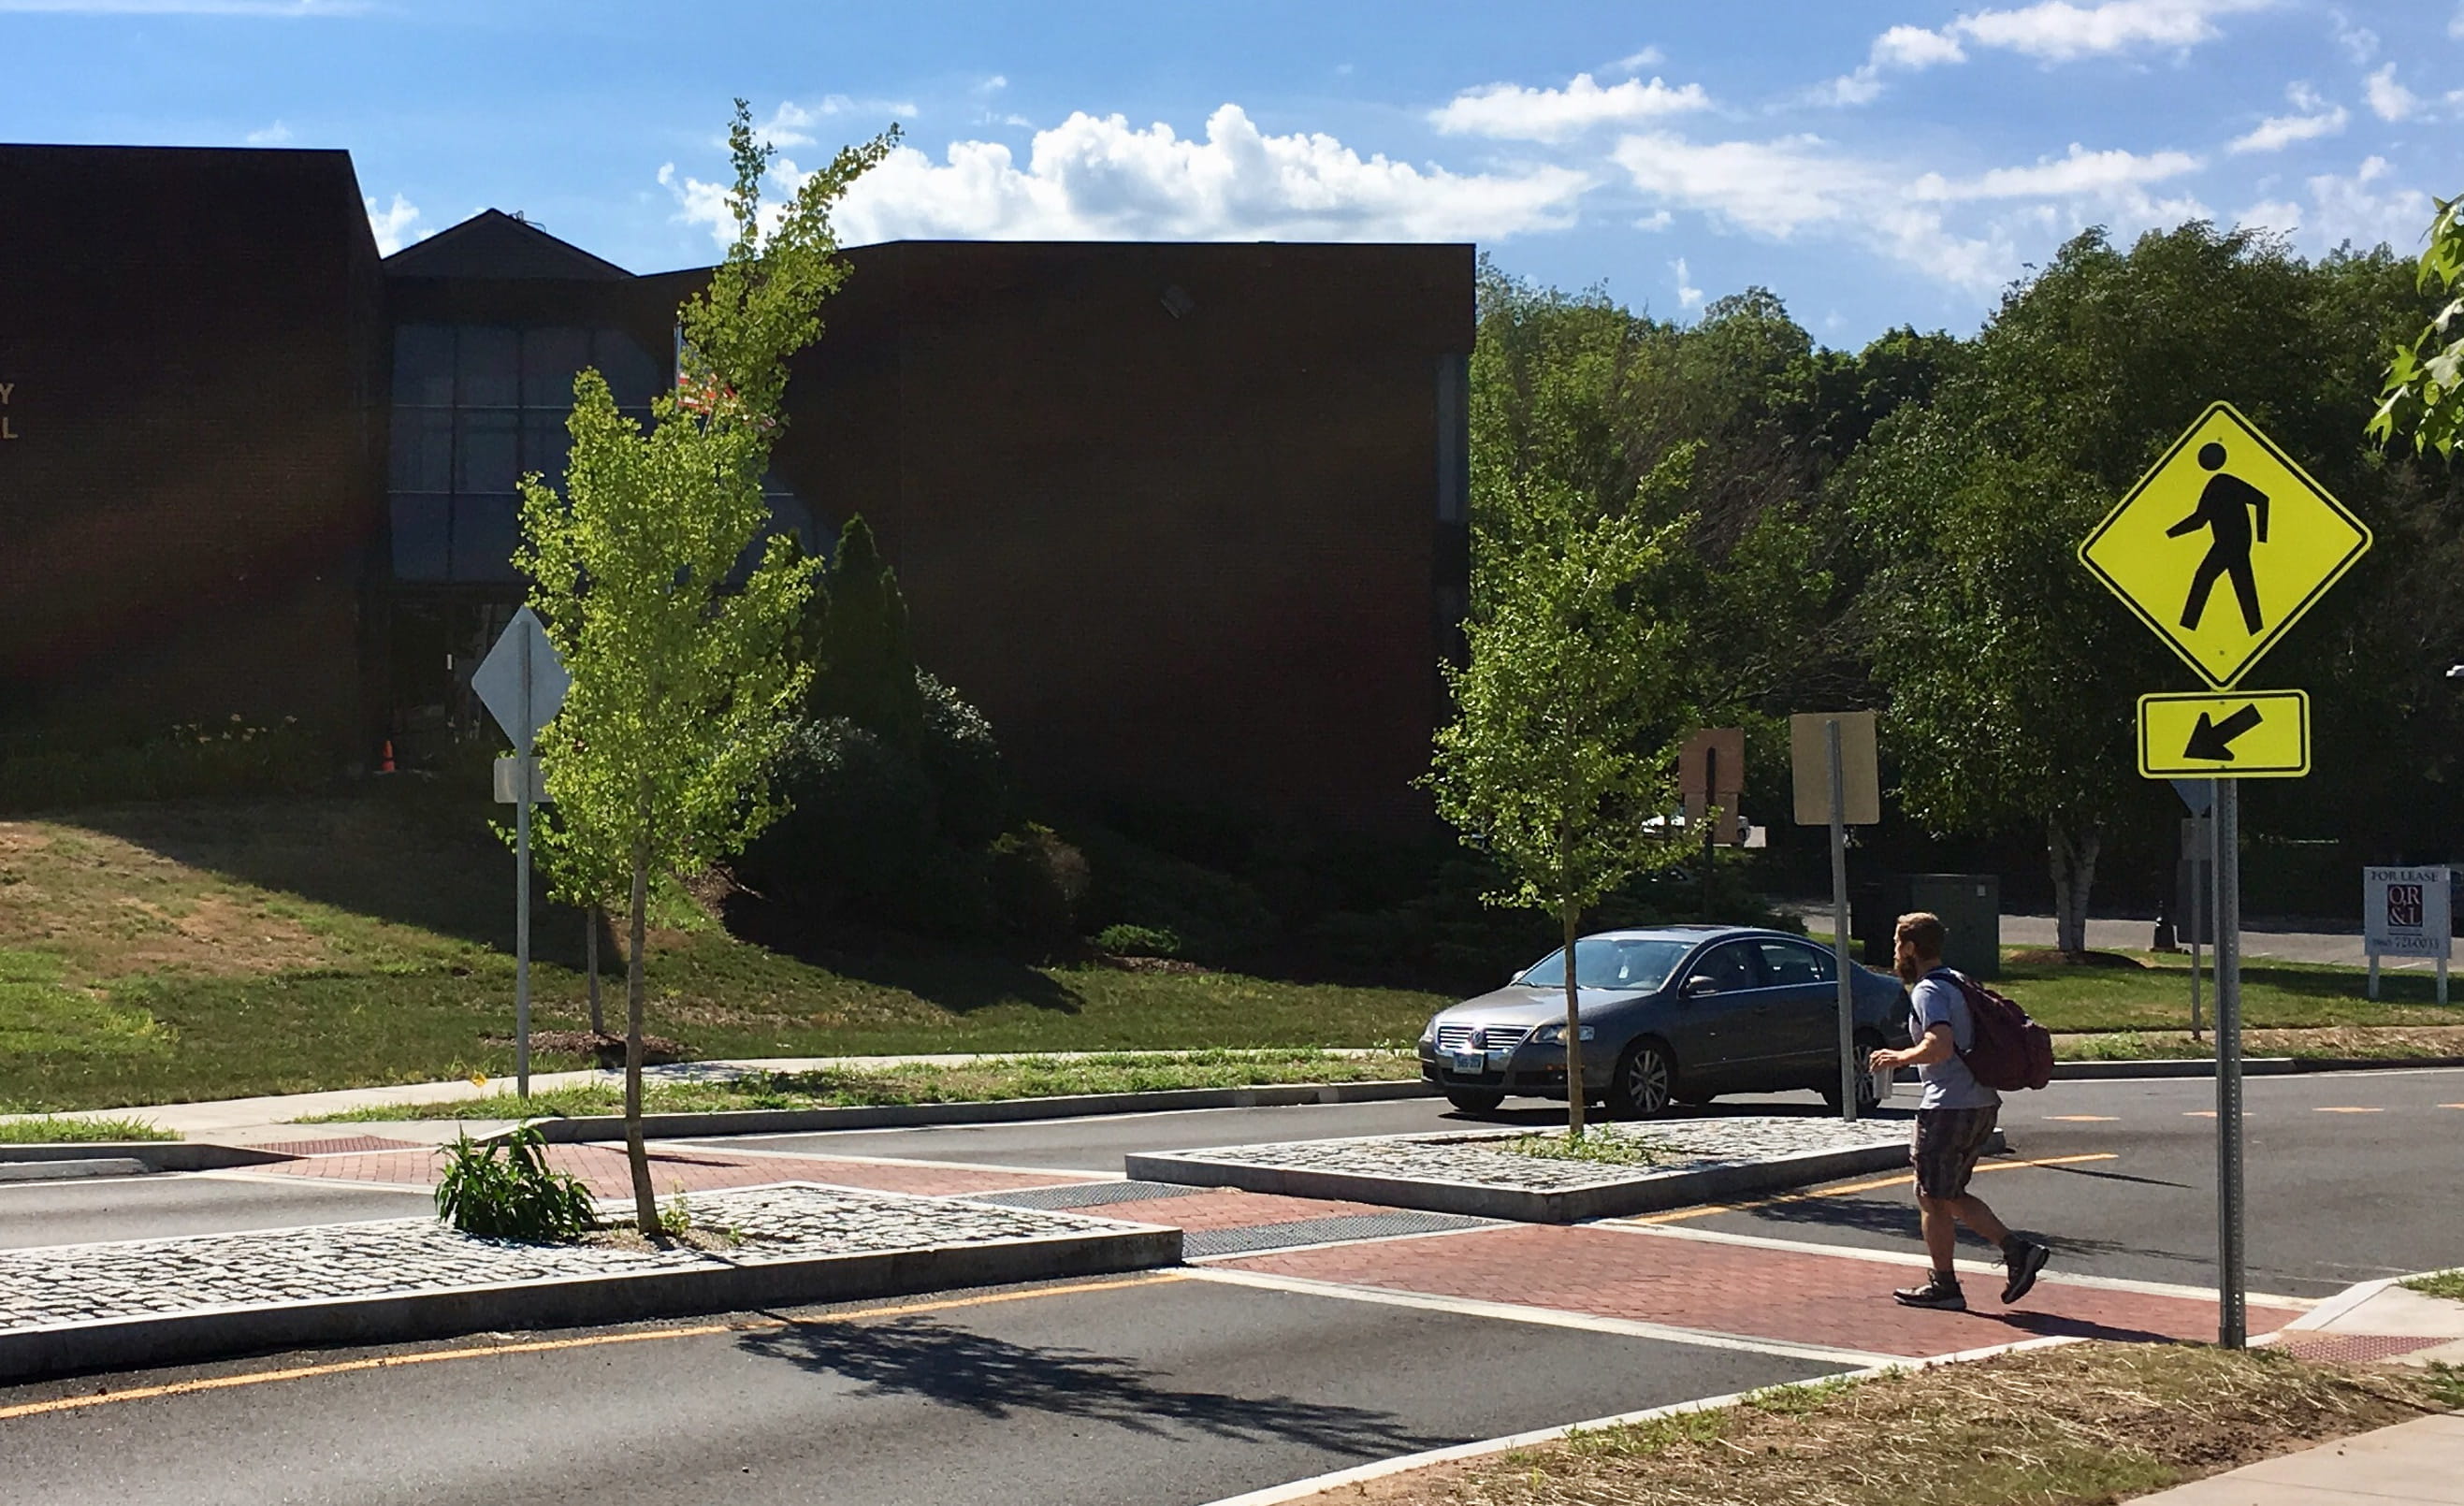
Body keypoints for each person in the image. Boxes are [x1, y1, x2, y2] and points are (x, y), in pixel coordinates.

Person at [1866, 911, 2052, 1311]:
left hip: (1949, 1106)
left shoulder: (1928, 991)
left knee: (1933, 1196)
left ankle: (1954, 1282)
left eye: (1898, 944)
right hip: (1980, 1102)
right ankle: (2009, 1255)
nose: (1896, 951)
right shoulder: (1960, 980)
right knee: (1945, 1193)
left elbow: (1939, 1045)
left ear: (1911, 948)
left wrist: (1898, 1057)